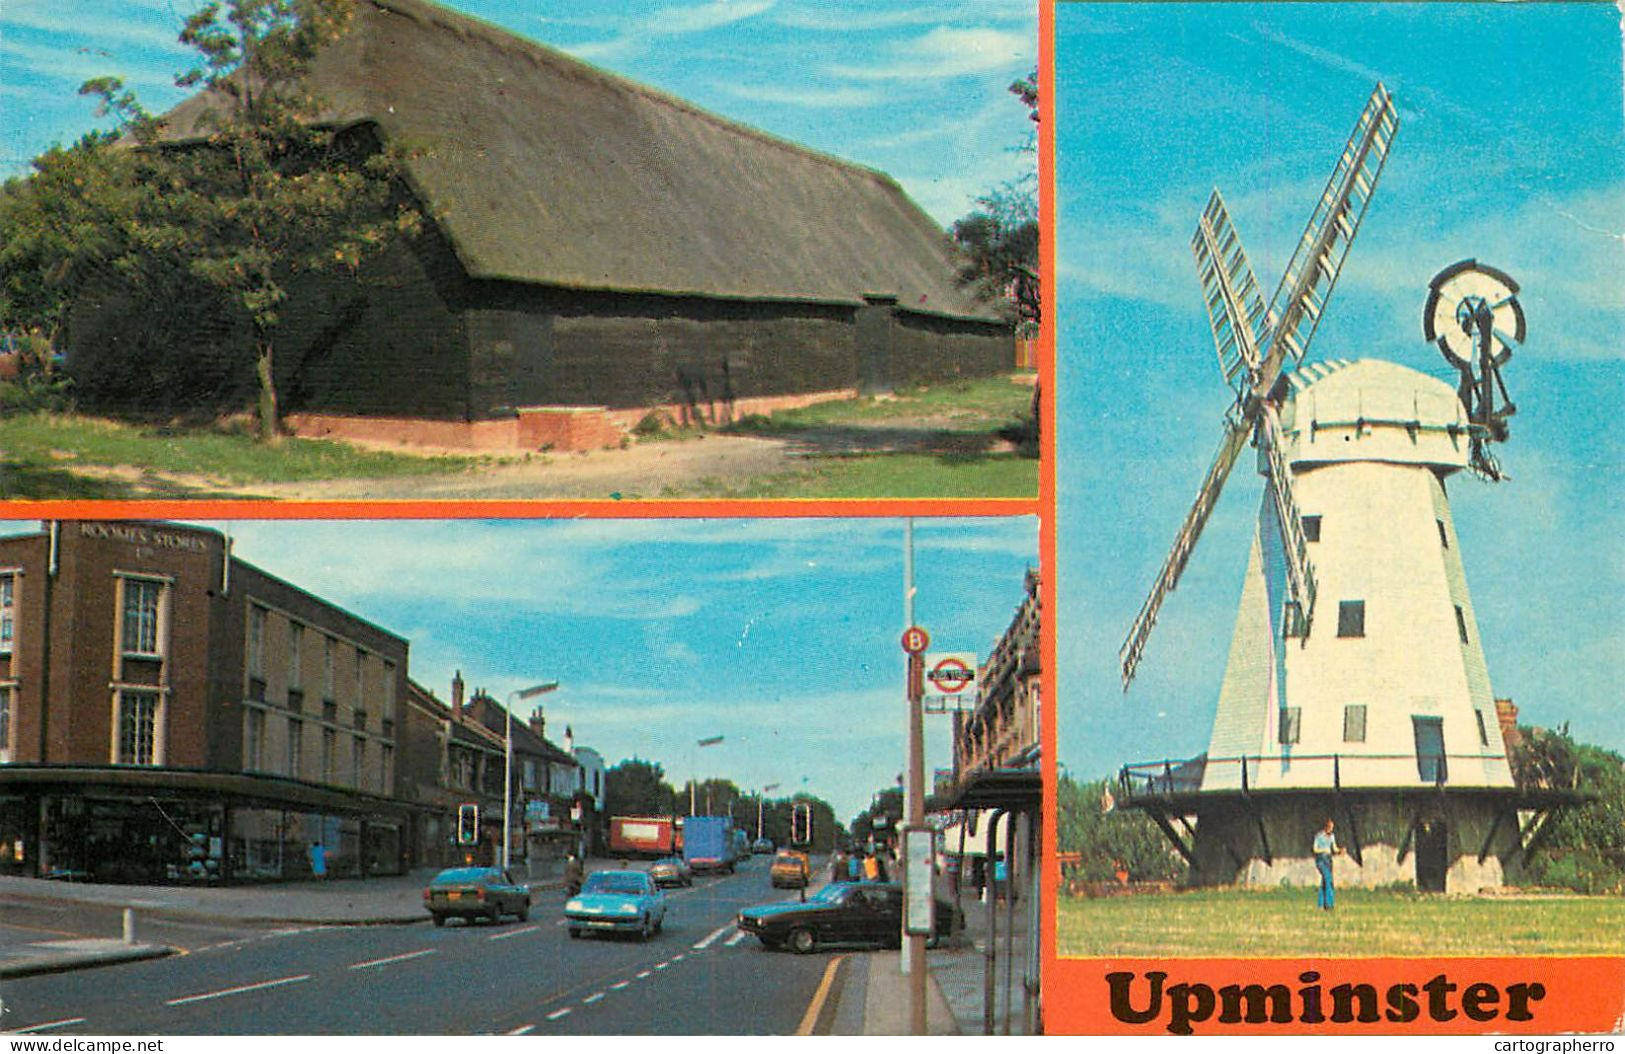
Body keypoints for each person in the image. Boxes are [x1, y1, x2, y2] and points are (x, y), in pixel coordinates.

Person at [1313, 818, 1342, 910]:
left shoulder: (1332, 836)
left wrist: (1340, 851)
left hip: (1328, 860)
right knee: (1329, 879)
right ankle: (1330, 904)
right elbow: (1315, 849)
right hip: (1321, 860)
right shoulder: (1319, 836)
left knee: (1325, 882)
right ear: (1326, 827)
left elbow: (1334, 848)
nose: (1331, 829)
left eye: (1332, 828)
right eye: (1330, 827)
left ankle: (1321, 905)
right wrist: (1323, 850)